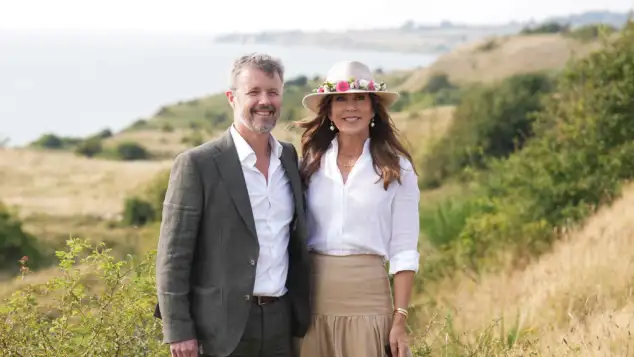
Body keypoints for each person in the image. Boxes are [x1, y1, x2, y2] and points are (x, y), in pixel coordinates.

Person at [154, 53, 311, 357]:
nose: (264, 100)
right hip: (219, 330)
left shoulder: (290, 159)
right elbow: (173, 256)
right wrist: (179, 330)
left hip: (281, 323)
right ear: (232, 97)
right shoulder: (197, 164)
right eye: (253, 92)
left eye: (273, 92)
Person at [294, 60, 420, 357]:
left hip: (369, 302)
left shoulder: (397, 168)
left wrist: (399, 319)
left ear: (373, 107)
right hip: (311, 304)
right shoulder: (309, 162)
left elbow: (404, 249)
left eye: (359, 98)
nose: (351, 107)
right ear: (328, 109)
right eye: (341, 98)